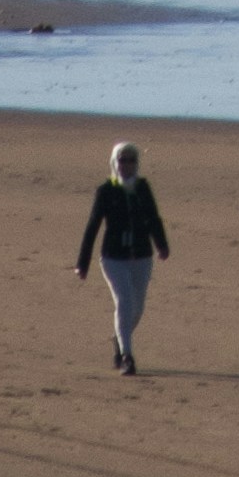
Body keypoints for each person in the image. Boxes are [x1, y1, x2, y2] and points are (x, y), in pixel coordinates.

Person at [74, 138, 171, 374]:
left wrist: (161, 245)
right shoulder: (106, 191)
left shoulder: (143, 187)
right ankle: (127, 356)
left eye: (130, 160)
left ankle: (119, 339)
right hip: (113, 258)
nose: (125, 164)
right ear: (114, 163)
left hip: (142, 257)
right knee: (124, 303)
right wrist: (83, 263)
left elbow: (153, 218)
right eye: (121, 160)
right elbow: (93, 225)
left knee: (137, 308)